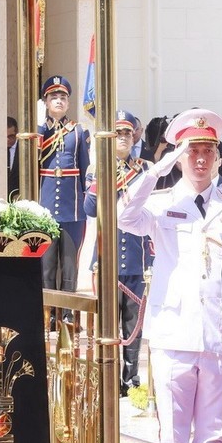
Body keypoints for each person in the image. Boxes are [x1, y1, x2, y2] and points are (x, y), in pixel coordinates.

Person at [118, 108, 222, 443]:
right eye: (192, 151)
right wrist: (157, 168)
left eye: (207, 151)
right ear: (179, 156)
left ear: (218, 156)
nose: (200, 159)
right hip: (173, 331)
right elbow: (124, 216)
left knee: (213, 433)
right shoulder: (161, 201)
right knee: (172, 435)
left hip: (220, 331)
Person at [83, 110, 152, 396]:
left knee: (134, 324)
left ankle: (131, 379)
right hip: (107, 257)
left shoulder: (145, 169)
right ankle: (109, 378)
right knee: (108, 324)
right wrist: (104, 175)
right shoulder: (97, 169)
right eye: (118, 133)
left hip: (137, 256)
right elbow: (89, 209)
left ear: (134, 136)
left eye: (127, 133)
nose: (123, 137)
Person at [38, 75, 91, 294]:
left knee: (70, 267)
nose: (58, 101)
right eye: (53, 97)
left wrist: (87, 203)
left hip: (73, 210)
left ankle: (67, 312)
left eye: (62, 97)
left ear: (68, 103)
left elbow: (85, 168)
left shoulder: (78, 131)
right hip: (45, 209)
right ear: (46, 102)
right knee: (46, 267)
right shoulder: (40, 132)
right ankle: (46, 310)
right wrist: (39, 126)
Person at [6, 116, 19, 200]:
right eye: (4, 136)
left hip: (18, 199)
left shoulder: (24, 149)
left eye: (11, 136)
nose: (7, 140)